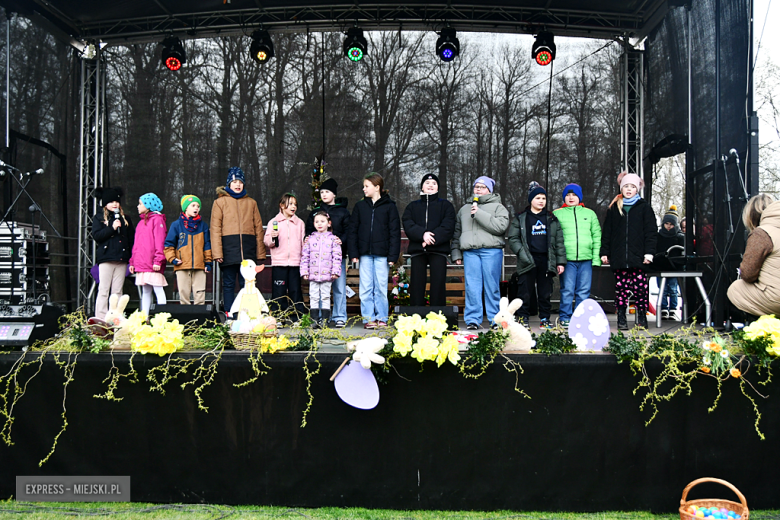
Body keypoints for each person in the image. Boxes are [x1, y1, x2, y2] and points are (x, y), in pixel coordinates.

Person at [451, 176, 510, 331]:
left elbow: (501, 227)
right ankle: (472, 319)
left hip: (491, 251)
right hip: (470, 252)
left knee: (492, 287)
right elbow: (457, 232)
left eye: (482, 187)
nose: (478, 189)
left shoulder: (499, 207)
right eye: (476, 186)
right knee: (472, 287)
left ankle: (495, 319)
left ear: (489, 190)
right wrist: (456, 253)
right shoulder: (464, 209)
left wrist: (479, 213)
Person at [600, 173, 657, 330]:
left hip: (638, 258)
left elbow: (651, 233)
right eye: (626, 186)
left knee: (640, 289)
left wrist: (649, 253)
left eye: (632, 186)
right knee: (621, 290)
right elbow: (607, 233)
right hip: (620, 258)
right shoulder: (614, 208)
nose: (629, 189)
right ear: (621, 188)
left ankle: (641, 318)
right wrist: (605, 252)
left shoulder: (644, 208)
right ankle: (621, 318)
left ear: (637, 189)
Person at [508, 182, 566, 329]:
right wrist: (522, 253)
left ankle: (545, 319)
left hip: (546, 260)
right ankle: (523, 319)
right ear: (531, 200)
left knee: (545, 292)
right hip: (526, 260)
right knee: (524, 292)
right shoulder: (521, 218)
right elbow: (513, 238)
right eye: (537, 198)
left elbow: (559, 242)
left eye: (543, 198)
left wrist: (560, 262)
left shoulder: (551, 218)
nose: (541, 201)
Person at [348, 173, 401, 329]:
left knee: (380, 287)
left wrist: (393, 256)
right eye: (363, 186)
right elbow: (353, 231)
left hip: (382, 255)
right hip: (364, 254)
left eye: (366, 186)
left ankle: (382, 318)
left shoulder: (390, 206)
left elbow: (394, 232)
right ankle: (368, 319)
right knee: (366, 287)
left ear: (377, 187)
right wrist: (354, 253)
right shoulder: (360, 206)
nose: (363, 189)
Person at [210, 167, 266, 314]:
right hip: (228, 250)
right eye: (234, 181)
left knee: (247, 283)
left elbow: (258, 228)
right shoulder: (220, 203)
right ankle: (229, 313)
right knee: (228, 283)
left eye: (240, 181)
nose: (237, 184)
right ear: (229, 184)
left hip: (248, 250)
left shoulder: (251, 203)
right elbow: (215, 228)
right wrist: (217, 253)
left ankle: (246, 313)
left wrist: (260, 254)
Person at [402, 173, 456, 307]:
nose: (430, 185)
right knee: (417, 284)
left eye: (434, 184)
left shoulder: (446, 205)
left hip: (438, 251)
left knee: (438, 284)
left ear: (438, 188)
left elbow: (448, 226)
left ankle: (437, 317)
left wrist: (431, 239)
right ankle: (416, 316)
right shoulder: (412, 206)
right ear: (422, 187)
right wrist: (422, 235)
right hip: (418, 251)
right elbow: (408, 223)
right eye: (427, 183)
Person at [552, 183, 602, 327]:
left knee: (584, 290)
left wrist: (596, 258)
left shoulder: (589, 213)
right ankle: (565, 317)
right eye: (568, 195)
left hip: (586, 259)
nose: (571, 197)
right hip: (567, 259)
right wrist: (557, 259)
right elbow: (553, 238)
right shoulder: (557, 213)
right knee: (567, 289)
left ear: (579, 197)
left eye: (574, 195)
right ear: (564, 198)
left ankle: (580, 317)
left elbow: (597, 236)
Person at [305, 178, 350, 328]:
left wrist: (340, 240)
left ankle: (339, 316)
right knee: (318, 290)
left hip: (337, 256)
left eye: (327, 192)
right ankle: (319, 318)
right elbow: (309, 230)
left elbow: (348, 231)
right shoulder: (315, 212)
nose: (324, 195)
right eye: (322, 192)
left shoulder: (343, 211)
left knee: (338, 287)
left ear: (334, 194)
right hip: (318, 260)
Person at [728, 194, 780, 317]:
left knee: (735, 289)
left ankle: (762, 327)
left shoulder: (762, 233)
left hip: (775, 298)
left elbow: (748, 274)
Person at [91, 187, 134, 320]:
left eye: (117, 201)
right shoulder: (98, 218)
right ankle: (101, 317)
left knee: (117, 291)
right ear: (105, 203)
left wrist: (131, 257)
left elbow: (132, 238)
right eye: (111, 201)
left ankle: (116, 317)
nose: (115, 204)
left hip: (121, 259)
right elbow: (97, 236)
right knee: (104, 290)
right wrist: (111, 228)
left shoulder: (125, 218)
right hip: (106, 259)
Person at [164, 194, 213, 305]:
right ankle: (186, 320)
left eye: (198, 206)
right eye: (193, 205)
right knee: (183, 294)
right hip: (182, 265)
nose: (196, 208)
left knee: (200, 295)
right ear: (186, 208)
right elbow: (169, 244)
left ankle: (200, 320)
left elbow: (207, 245)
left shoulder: (203, 226)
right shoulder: (176, 225)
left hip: (200, 265)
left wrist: (208, 261)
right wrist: (173, 259)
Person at [264, 193, 306, 321]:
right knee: (279, 291)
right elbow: (267, 241)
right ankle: (278, 317)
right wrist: (272, 236)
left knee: (295, 290)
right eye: (290, 204)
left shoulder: (299, 223)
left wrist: (304, 260)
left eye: (295, 204)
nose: (293, 207)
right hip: (279, 263)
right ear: (282, 206)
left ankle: (297, 317)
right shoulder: (274, 222)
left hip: (295, 263)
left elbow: (303, 243)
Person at [301, 211, 342, 327]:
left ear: (329, 223)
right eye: (317, 222)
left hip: (327, 274)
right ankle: (314, 320)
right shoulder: (310, 239)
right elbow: (305, 256)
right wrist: (304, 271)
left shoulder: (334, 239)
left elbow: (337, 257)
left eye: (322, 221)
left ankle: (324, 320)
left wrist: (335, 271)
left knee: (325, 296)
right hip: (313, 274)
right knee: (313, 296)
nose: (319, 224)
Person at [129, 193, 168, 315]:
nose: (137, 206)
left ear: (148, 205)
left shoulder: (157, 220)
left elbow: (160, 241)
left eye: (140, 204)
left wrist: (158, 260)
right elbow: (137, 244)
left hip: (152, 264)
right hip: (142, 263)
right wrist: (133, 262)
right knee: (146, 291)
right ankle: (144, 317)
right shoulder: (141, 222)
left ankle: (163, 318)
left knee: (158, 289)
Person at [654, 205, 685, 320]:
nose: (669, 226)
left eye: (671, 224)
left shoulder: (679, 237)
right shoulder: (658, 236)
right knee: (662, 288)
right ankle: (663, 308)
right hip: (661, 266)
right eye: (667, 224)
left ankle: (672, 308)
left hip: (673, 266)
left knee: (672, 288)